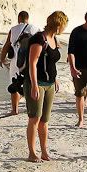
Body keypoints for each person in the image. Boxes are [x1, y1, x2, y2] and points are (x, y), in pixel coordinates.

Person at [25, 11, 68, 162]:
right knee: (34, 118)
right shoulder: (39, 39)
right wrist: (34, 85)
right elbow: (32, 63)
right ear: (58, 25)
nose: (64, 29)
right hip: (37, 84)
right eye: (63, 26)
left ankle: (44, 151)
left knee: (45, 120)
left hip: (50, 84)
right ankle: (32, 153)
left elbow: (51, 62)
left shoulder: (53, 38)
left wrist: (55, 78)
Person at [0, 11, 39, 115]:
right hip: (31, 60)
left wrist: (2, 58)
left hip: (16, 62)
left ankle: (15, 110)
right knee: (30, 83)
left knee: (14, 84)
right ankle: (31, 108)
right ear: (28, 18)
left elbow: (7, 45)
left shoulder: (13, 29)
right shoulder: (35, 29)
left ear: (19, 18)